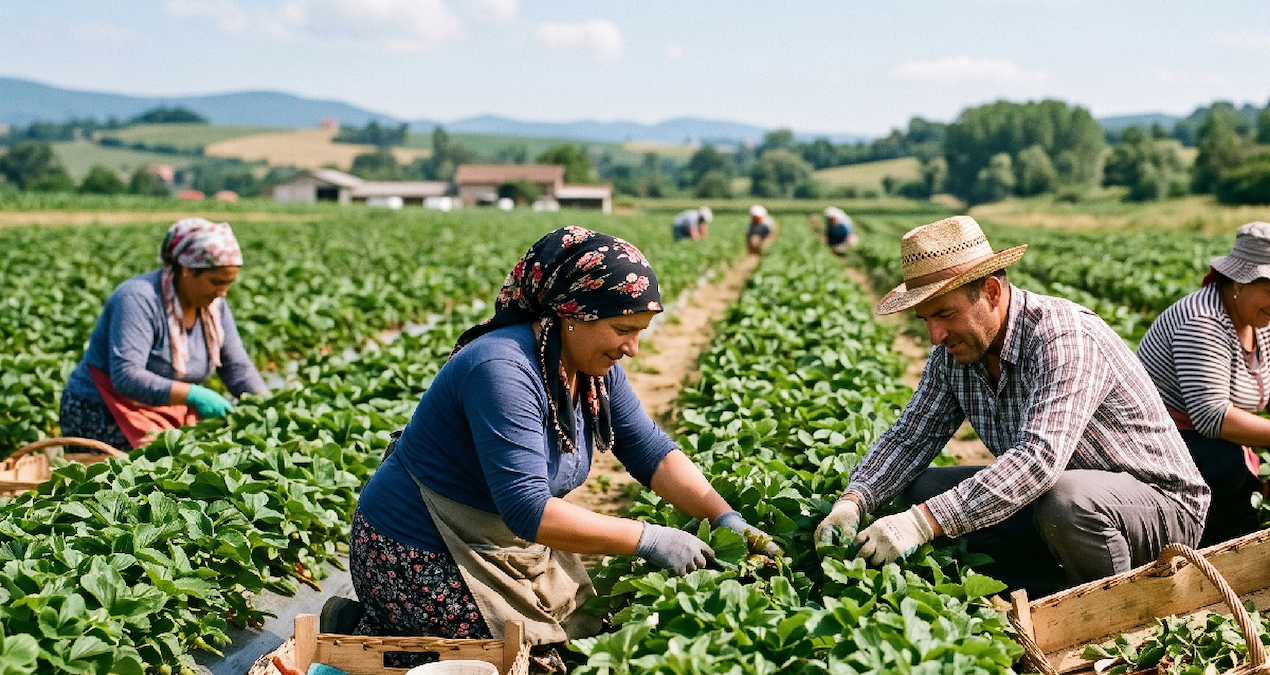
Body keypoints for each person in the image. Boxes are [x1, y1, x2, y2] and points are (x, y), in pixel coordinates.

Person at [351, 227, 779, 662]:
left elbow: (650, 451)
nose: (632, 348)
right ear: (574, 314)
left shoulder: (591, 367)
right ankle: (367, 632)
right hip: (416, 548)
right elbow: (527, 508)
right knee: (533, 664)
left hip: (501, 542)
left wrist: (726, 517)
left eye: (641, 331)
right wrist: (648, 538)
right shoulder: (502, 370)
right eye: (623, 329)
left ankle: (390, 636)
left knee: (586, 639)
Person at [814, 216, 1208, 597]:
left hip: (1155, 506)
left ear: (991, 292)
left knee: (1066, 501)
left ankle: (1113, 609)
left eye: (945, 314)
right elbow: (911, 437)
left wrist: (923, 523)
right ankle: (1043, 590)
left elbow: (1038, 460)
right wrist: (855, 500)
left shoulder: (1062, 337)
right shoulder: (955, 353)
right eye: (925, 319)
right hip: (1057, 504)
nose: (935, 335)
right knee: (917, 487)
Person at [59, 218, 266, 452]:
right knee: (151, 475)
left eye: (229, 283)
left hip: (164, 410)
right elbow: (127, 376)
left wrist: (268, 407)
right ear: (187, 269)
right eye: (216, 282)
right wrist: (194, 394)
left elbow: (237, 368)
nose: (223, 292)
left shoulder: (214, 307)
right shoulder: (138, 299)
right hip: (102, 411)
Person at [1137, 221, 1270, 546]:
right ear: (1240, 281)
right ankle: (1216, 555)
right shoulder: (1202, 322)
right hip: (1154, 444)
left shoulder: (1259, 319)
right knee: (1231, 468)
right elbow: (1212, 416)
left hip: (1204, 440)